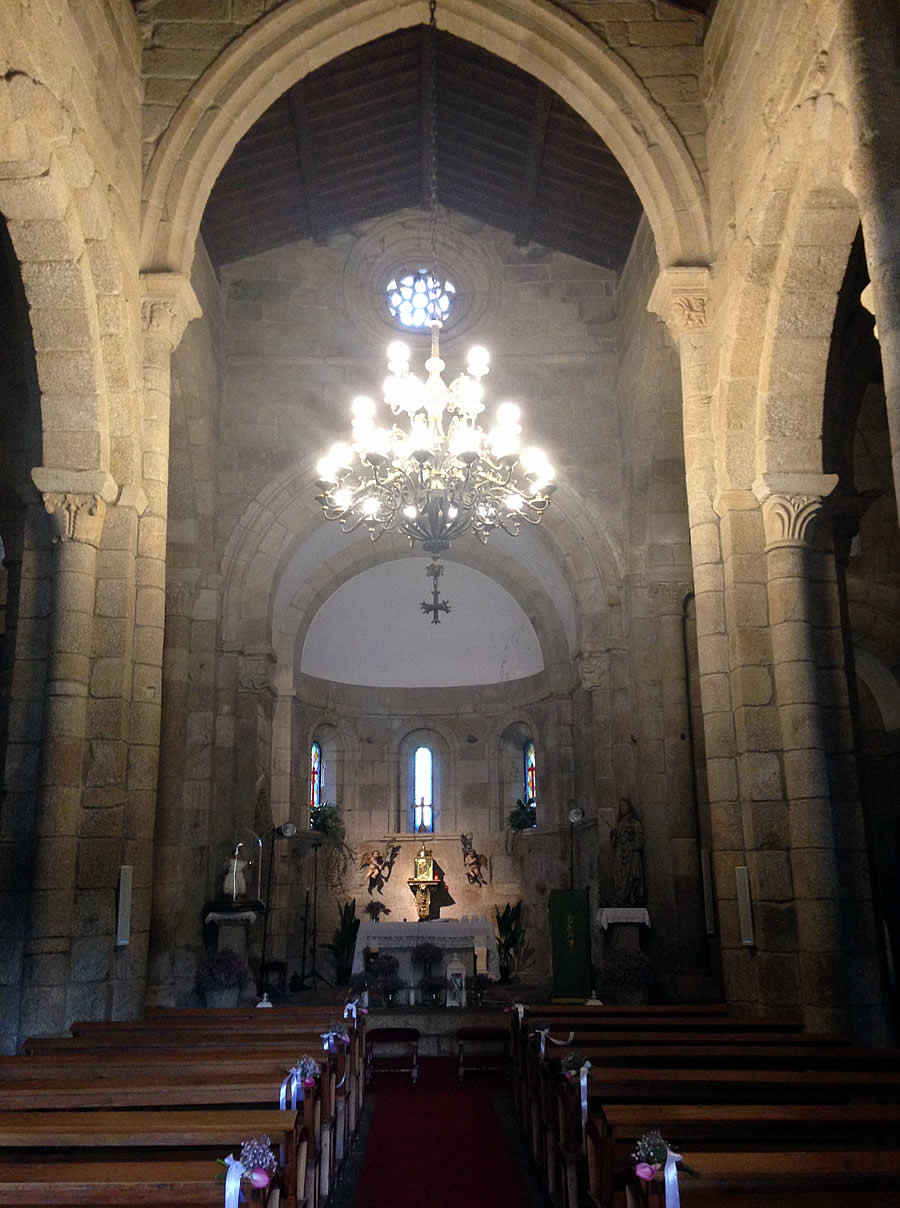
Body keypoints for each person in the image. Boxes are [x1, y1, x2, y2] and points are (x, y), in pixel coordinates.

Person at [610, 797, 645, 906]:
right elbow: (613, 844)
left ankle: (629, 899)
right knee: (618, 875)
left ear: (629, 807)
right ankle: (620, 898)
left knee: (631, 876)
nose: (622, 808)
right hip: (620, 854)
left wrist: (631, 838)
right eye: (621, 806)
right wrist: (614, 835)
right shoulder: (618, 824)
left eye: (624, 806)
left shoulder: (635, 823)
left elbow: (639, 842)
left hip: (630, 855)